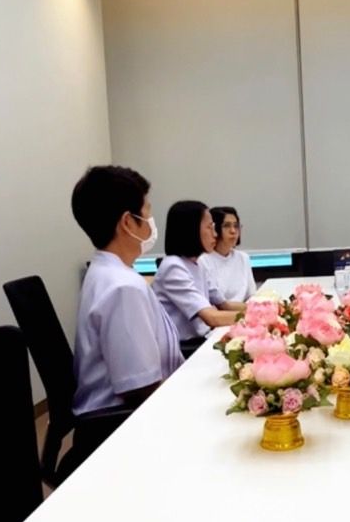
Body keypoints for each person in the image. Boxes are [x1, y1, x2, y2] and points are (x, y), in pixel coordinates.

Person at [70, 165, 183, 414]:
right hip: (125, 422)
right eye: (147, 212)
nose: (151, 222)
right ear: (128, 222)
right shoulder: (123, 288)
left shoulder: (108, 272)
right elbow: (141, 388)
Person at [152, 200, 247, 342]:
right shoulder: (173, 267)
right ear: (191, 230)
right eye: (210, 227)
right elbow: (212, 317)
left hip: (203, 338)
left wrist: (265, 308)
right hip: (187, 346)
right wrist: (255, 317)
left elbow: (224, 304)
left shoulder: (197, 263)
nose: (215, 234)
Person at [205, 205, 257, 303]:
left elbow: (252, 295)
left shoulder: (243, 258)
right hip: (218, 312)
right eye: (226, 226)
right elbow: (214, 303)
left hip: (244, 310)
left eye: (236, 226)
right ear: (215, 229)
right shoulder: (204, 260)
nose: (233, 231)